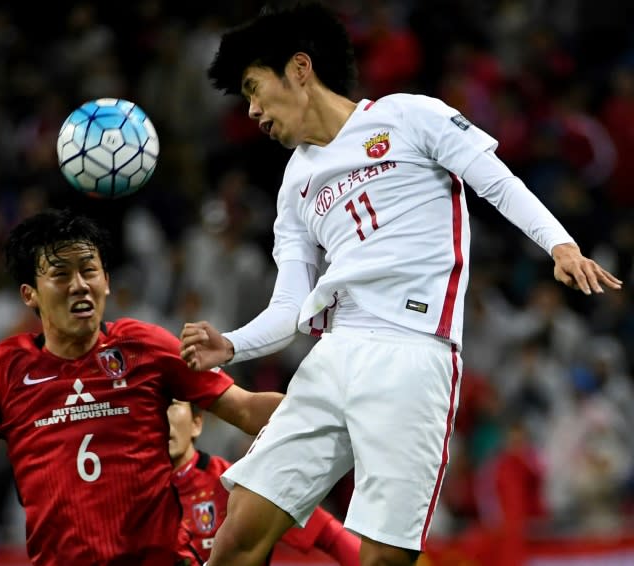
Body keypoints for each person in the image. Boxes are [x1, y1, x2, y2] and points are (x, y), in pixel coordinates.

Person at [178, 3, 623, 566]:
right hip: (334, 353)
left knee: (383, 559)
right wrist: (233, 345)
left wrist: (558, 244)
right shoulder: (295, 183)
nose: (253, 110)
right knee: (236, 539)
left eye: (254, 88)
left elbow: (497, 182)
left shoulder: (409, 116)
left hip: (412, 350)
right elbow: (289, 303)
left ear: (298, 68)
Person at [0, 208, 284, 566]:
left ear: (106, 282)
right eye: (60, 274)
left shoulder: (145, 346)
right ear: (30, 295)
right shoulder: (3, 368)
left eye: (88, 270)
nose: (78, 285)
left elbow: (246, 409)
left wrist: (327, 405)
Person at [167, 400, 360, 565]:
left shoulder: (239, 487)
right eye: (149, 409)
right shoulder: (137, 496)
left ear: (196, 423)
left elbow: (329, 535)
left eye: (172, 405)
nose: (163, 419)